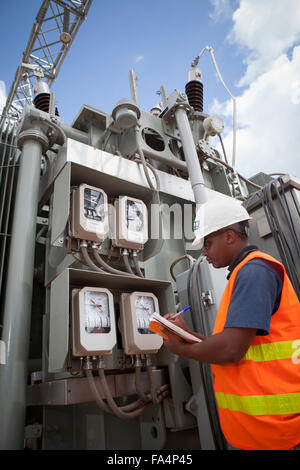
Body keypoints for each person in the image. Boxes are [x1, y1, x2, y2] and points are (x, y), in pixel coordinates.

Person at [162, 197, 300, 451]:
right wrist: (185, 333)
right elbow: (230, 341)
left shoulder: (255, 271)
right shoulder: (244, 273)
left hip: (273, 431)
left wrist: (181, 349)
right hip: (258, 429)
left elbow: (230, 350)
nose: (204, 252)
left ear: (229, 236)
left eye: (208, 242)